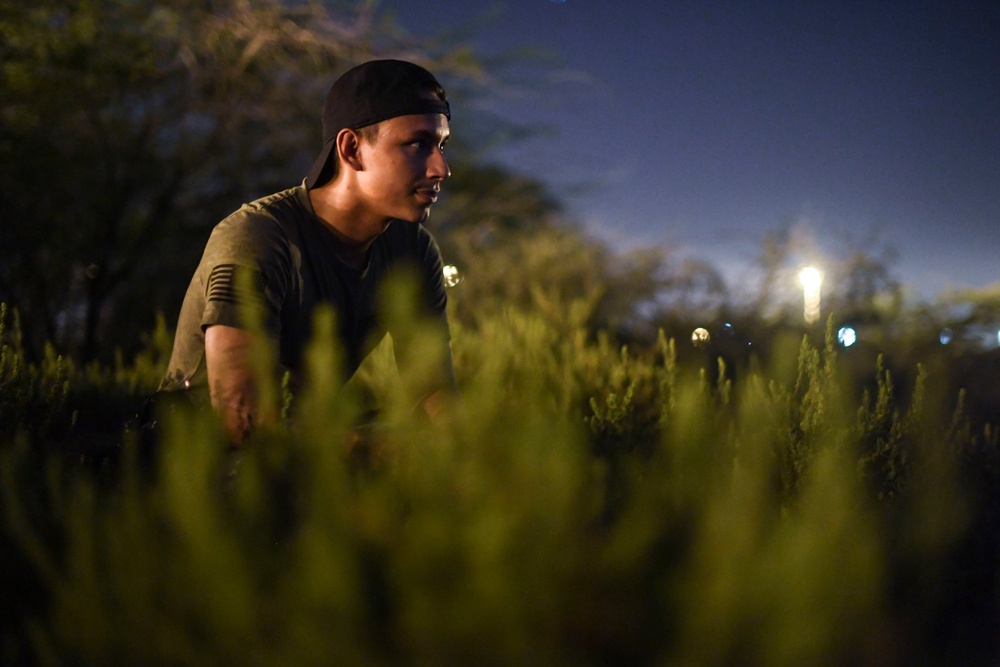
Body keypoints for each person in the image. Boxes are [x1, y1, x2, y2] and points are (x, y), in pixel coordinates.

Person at [157, 59, 454, 443]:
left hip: (312, 442)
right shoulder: (258, 237)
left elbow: (435, 395)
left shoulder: (411, 250)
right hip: (201, 457)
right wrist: (367, 454)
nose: (442, 168)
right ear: (352, 149)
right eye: (418, 145)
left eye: (442, 145)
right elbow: (238, 415)